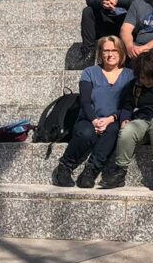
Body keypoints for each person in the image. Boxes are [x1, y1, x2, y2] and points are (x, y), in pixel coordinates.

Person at [52, 36, 134, 188]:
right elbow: (85, 101)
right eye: (106, 50)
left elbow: (128, 105)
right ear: (100, 53)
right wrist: (95, 120)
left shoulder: (129, 75)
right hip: (89, 118)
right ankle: (64, 167)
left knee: (113, 132)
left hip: (113, 120)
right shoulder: (89, 72)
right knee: (86, 133)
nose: (110, 54)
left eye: (114, 50)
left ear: (121, 52)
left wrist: (111, 119)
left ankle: (90, 171)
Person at [100, 48, 153, 190]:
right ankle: (120, 171)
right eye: (142, 77)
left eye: (150, 77)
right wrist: (125, 120)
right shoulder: (135, 86)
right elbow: (127, 106)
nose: (146, 81)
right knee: (128, 130)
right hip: (143, 123)